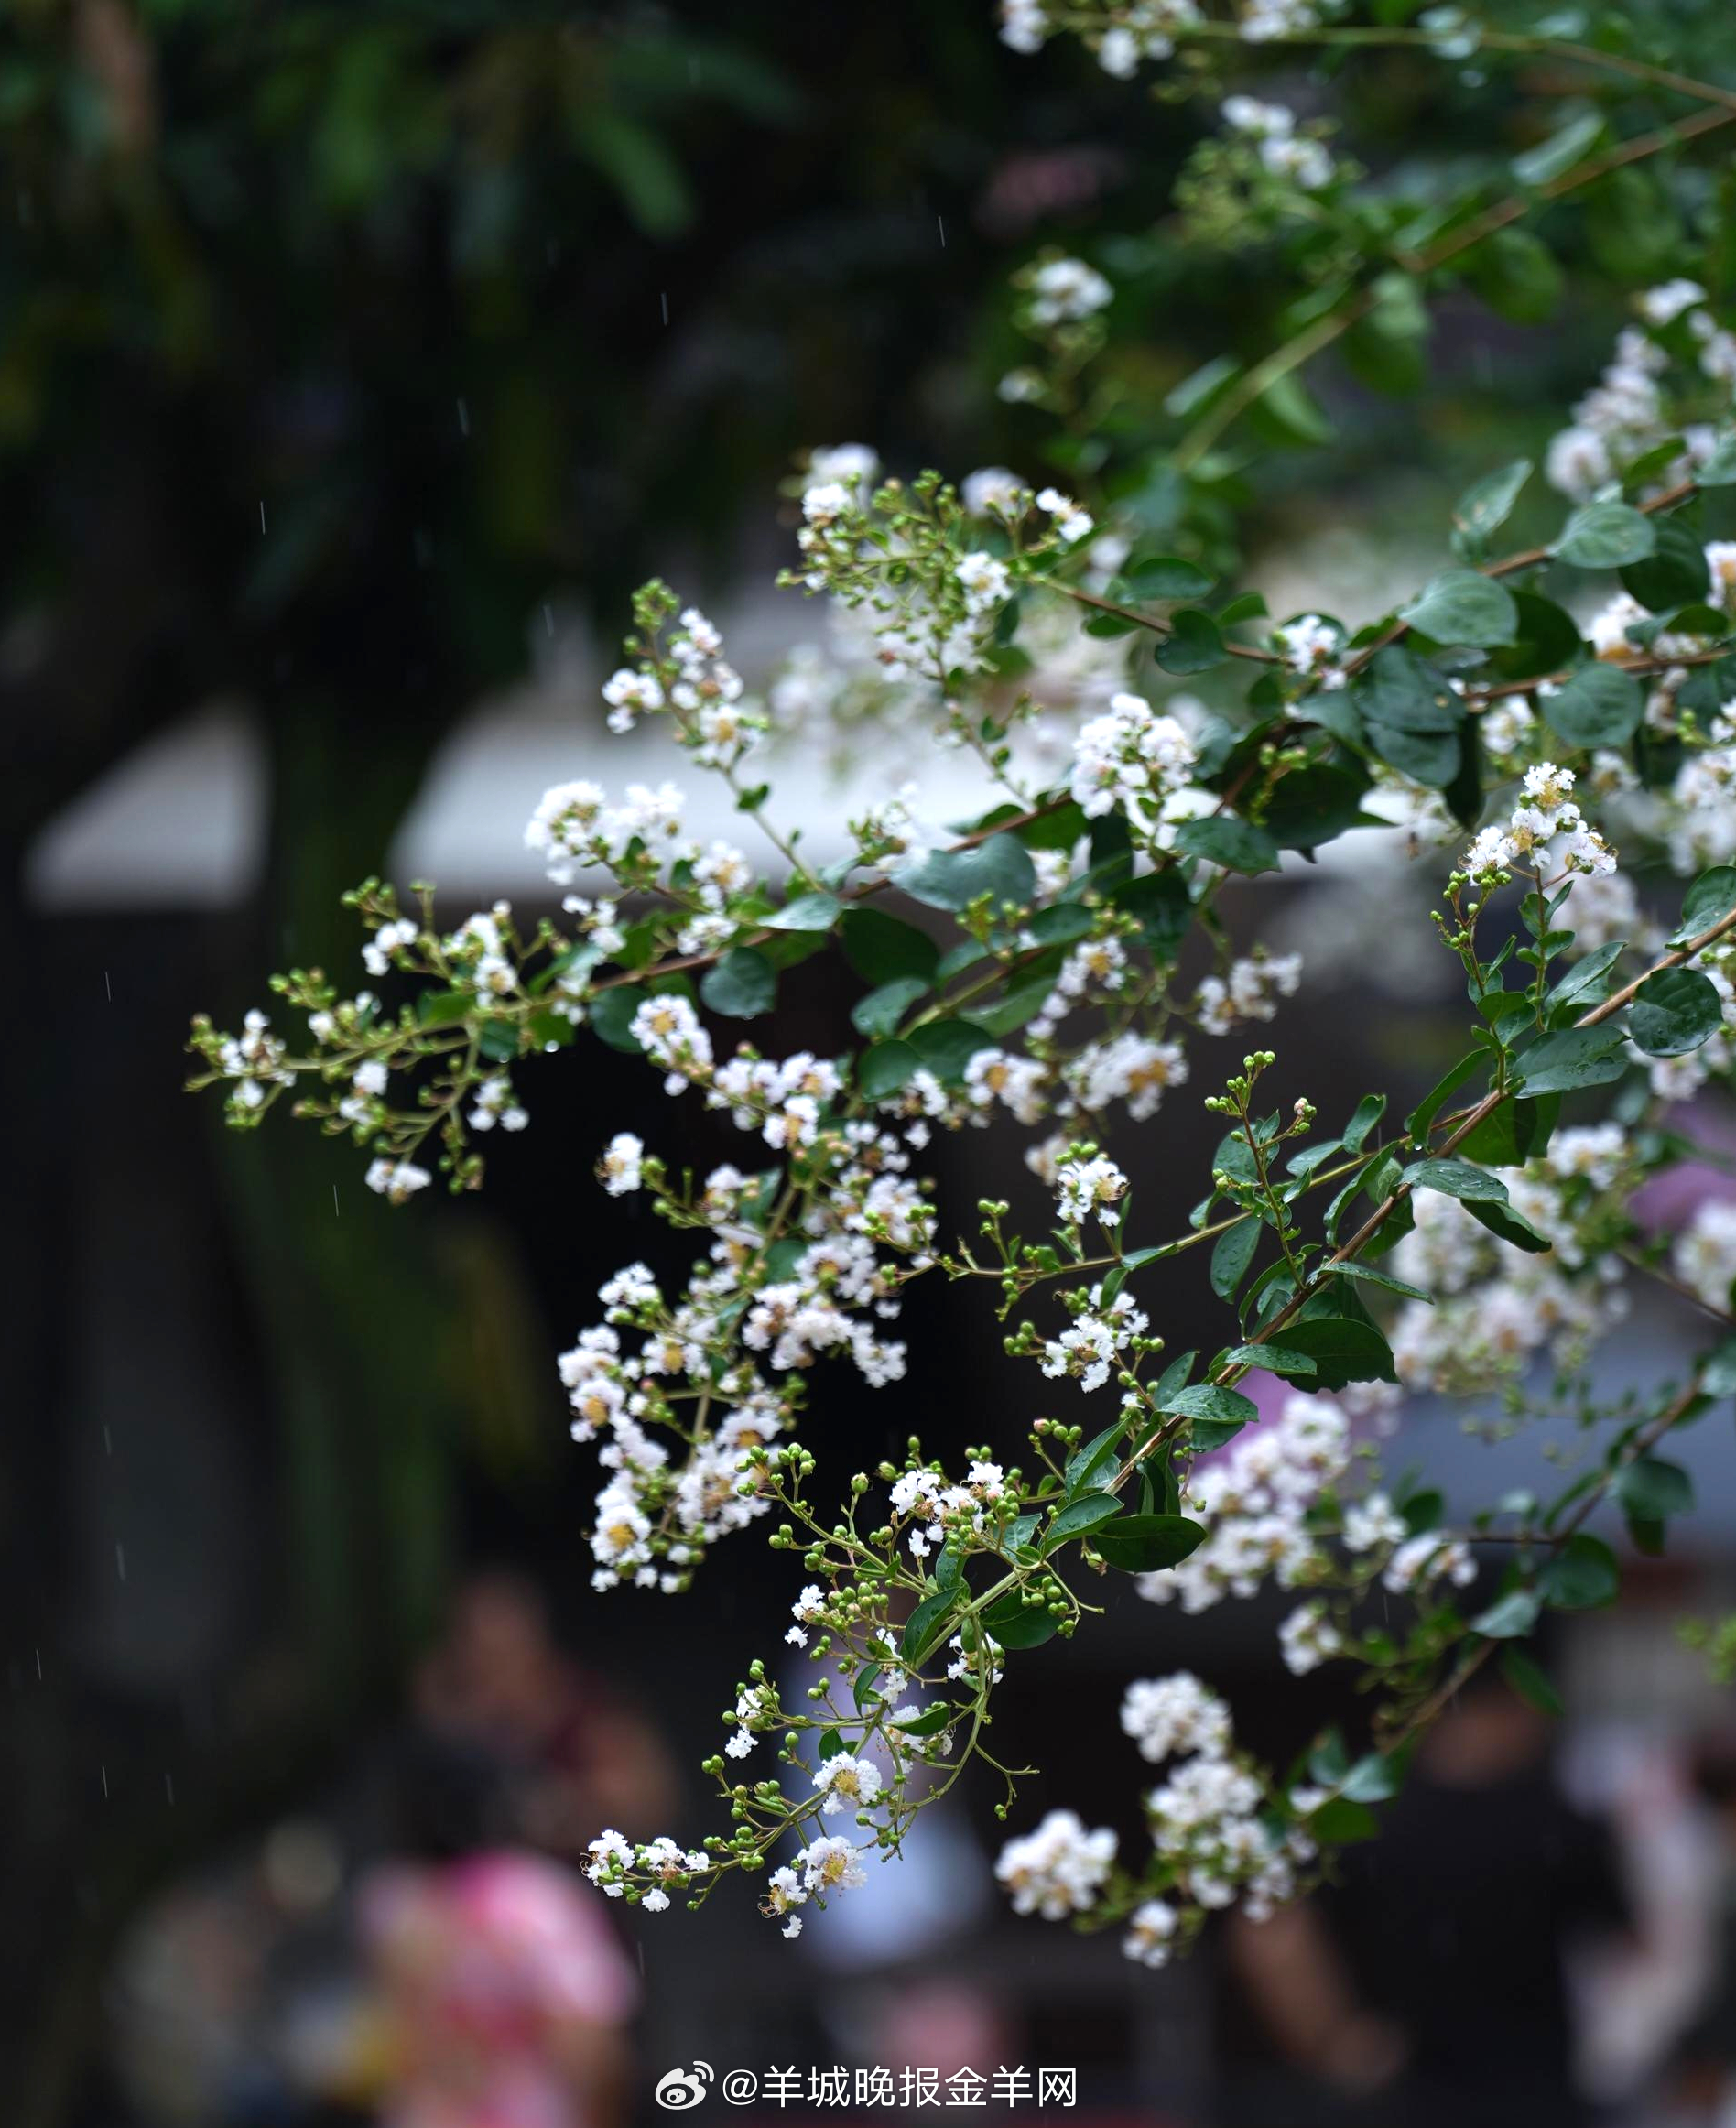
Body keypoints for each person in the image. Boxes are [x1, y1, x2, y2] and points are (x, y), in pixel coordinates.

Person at [1226, 1670, 1631, 2128]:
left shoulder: (1363, 1813)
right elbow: (1632, 1950)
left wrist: (1337, 2044)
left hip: (1406, 2093)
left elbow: (1271, 1935)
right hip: (1523, 2093)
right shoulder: (1554, 1823)